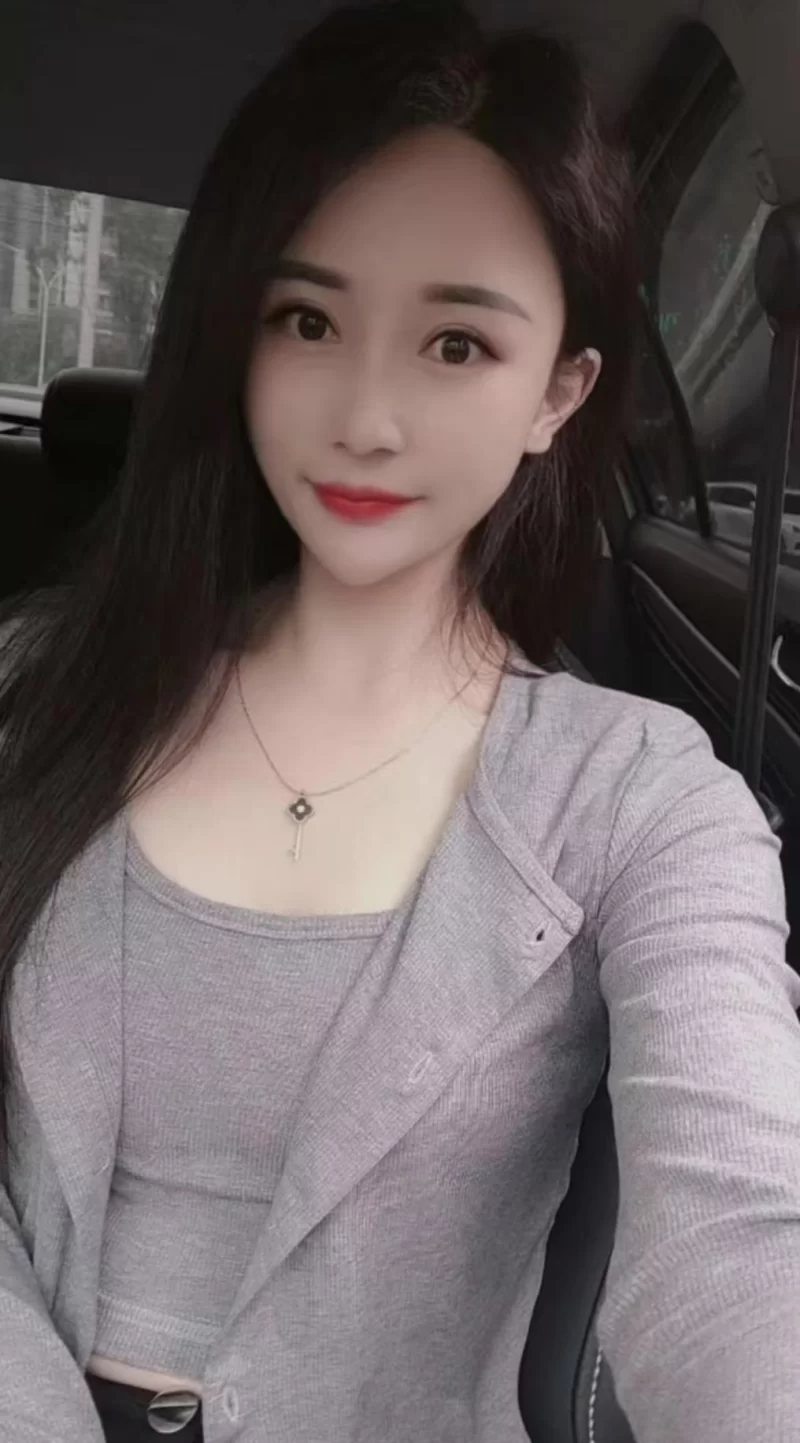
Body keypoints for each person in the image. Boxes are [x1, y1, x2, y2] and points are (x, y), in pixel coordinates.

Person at [1, 2, 799, 1440]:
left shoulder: (637, 796)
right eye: (308, 320)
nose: (366, 415)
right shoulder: (35, 685)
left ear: (560, 392)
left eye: (455, 344)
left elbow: (735, 1236)